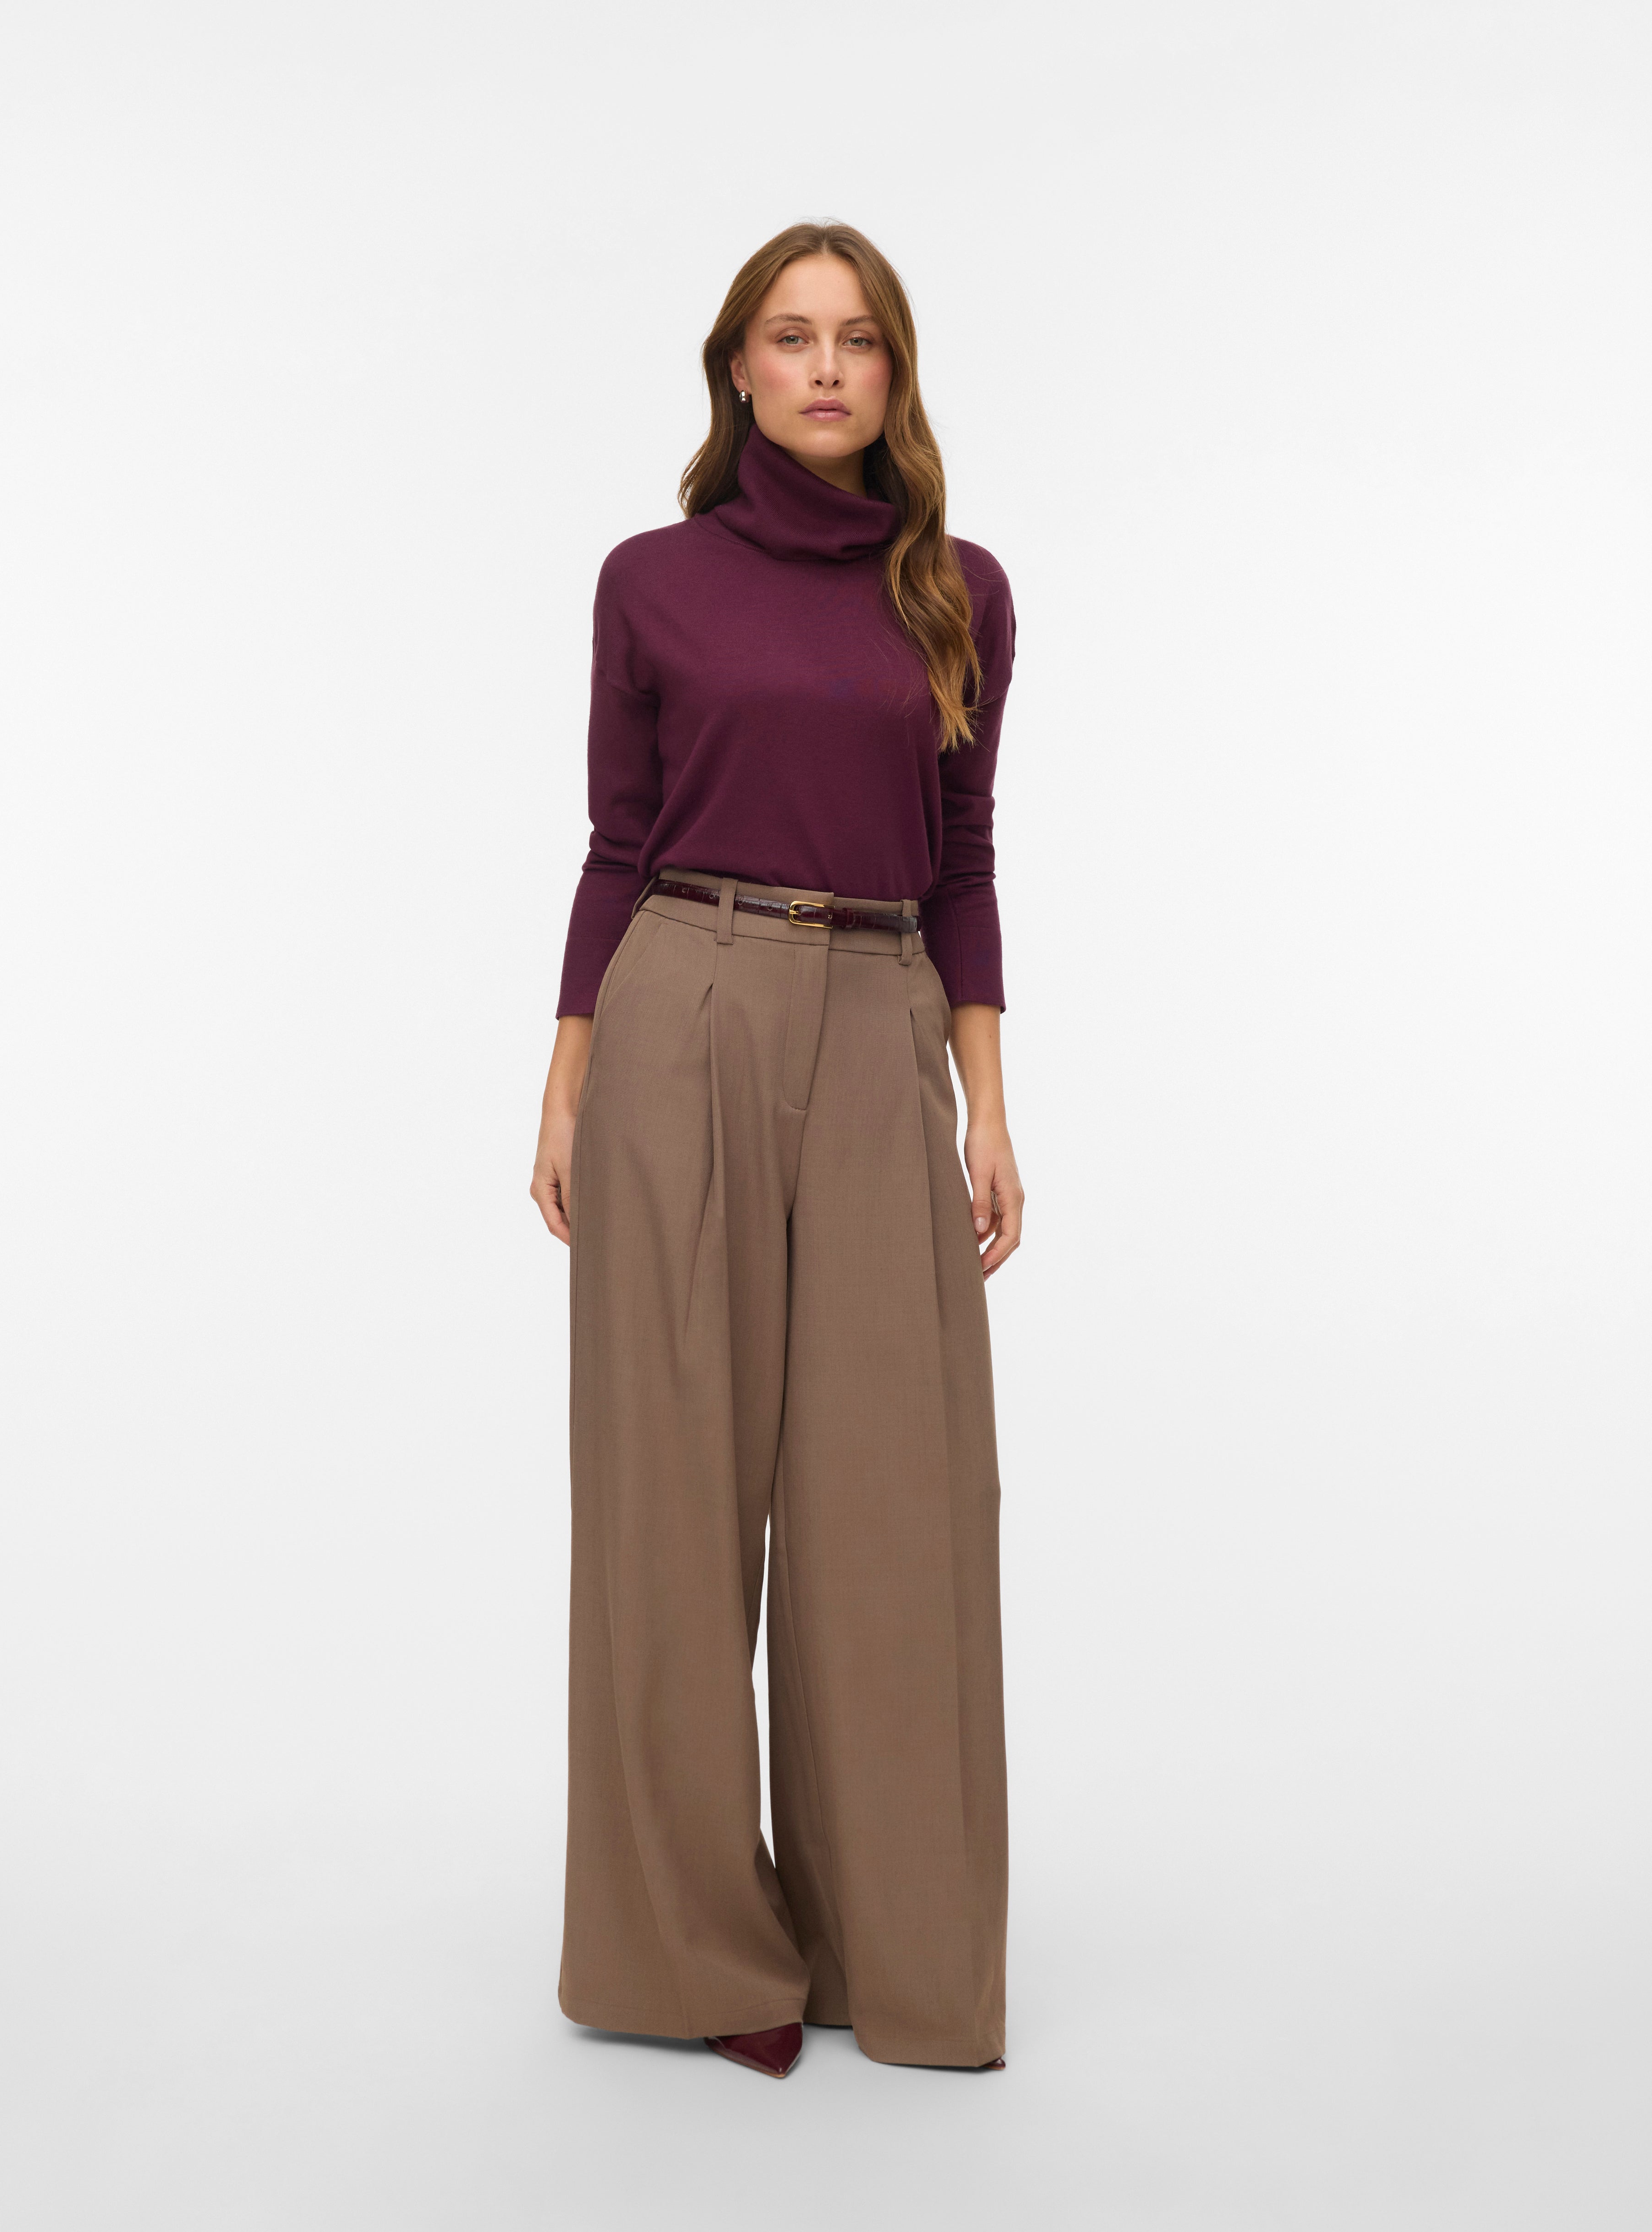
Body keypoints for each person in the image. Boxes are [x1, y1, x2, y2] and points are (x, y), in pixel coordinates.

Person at [530, 220, 1023, 2078]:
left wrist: (988, 1100)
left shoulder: (955, 588)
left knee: (896, 1501)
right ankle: (688, 1952)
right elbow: (616, 838)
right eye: (791, 337)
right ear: (735, 368)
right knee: (667, 1490)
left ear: (895, 373)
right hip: (684, 1005)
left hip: (885, 1010)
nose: (825, 368)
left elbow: (964, 856)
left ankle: (894, 1951)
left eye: (859, 339)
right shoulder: (651, 579)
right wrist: (567, 1077)